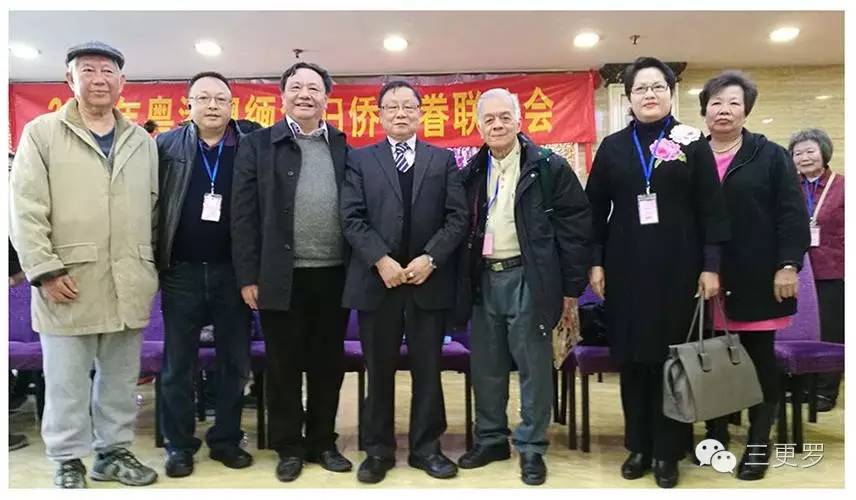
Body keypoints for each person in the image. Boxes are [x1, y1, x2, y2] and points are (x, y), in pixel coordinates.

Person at [9, 41, 159, 488]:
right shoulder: (42, 133)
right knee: (66, 379)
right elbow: (24, 208)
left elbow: (153, 209)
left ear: (122, 82)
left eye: (108, 71)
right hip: (67, 280)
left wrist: (148, 267)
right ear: (69, 79)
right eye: (88, 70)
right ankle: (67, 456)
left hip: (127, 279)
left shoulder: (141, 141)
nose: (99, 79)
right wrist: (44, 269)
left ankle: (113, 452)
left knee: (120, 377)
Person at [585, 57, 730, 488]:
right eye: (641, 88)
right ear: (628, 97)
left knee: (674, 361)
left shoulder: (693, 143)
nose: (649, 94)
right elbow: (594, 210)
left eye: (658, 87)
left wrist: (711, 266)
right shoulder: (613, 147)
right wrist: (595, 260)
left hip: (680, 269)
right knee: (633, 361)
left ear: (670, 92)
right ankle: (639, 446)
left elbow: (712, 210)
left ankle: (669, 451)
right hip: (625, 268)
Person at [455, 88, 592, 486]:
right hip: (482, 277)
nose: (497, 125)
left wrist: (571, 286)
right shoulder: (471, 172)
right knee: (487, 366)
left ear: (519, 119)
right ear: (478, 126)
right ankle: (491, 439)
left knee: (534, 366)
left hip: (530, 278)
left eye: (504, 117)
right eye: (489, 119)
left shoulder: (548, 167)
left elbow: (575, 228)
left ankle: (532, 446)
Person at [341, 81, 468, 484]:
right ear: (379, 115)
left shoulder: (442, 160)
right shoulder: (360, 159)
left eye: (408, 106)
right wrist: (380, 259)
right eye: (392, 107)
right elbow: (351, 217)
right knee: (378, 370)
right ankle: (377, 450)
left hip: (428, 283)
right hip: (377, 284)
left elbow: (458, 217)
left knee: (428, 371)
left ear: (420, 113)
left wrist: (431, 258)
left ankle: (427, 449)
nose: (400, 113)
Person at [231, 61, 352, 482]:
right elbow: (242, 215)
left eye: (314, 88)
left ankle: (322, 441)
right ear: (282, 96)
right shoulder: (258, 145)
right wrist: (248, 276)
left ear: (326, 98)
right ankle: (288, 446)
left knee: (327, 365)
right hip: (279, 275)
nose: (305, 94)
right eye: (296, 87)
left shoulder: (341, 144)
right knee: (283, 366)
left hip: (333, 274)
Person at [700, 70, 810, 481]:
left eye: (733, 102)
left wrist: (788, 264)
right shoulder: (691, 155)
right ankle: (714, 438)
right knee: (712, 363)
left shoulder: (770, 155)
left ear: (746, 110)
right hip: (703, 279)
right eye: (716, 102)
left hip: (757, 275)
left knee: (758, 363)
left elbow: (792, 215)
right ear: (704, 110)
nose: (724, 110)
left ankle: (759, 444)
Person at [155, 71, 258, 478]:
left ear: (232, 105)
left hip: (233, 273)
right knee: (177, 365)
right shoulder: (166, 146)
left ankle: (226, 440)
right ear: (188, 105)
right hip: (180, 271)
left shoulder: (250, 145)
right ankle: (179, 445)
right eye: (203, 98)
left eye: (220, 98)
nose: (212, 105)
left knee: (235, 363)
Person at [789, 128, 844, 412]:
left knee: (830, 330)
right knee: (801, 330)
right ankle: (802, 387)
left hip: (832, 269)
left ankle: (825, 391)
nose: (804, 157)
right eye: (798, 153)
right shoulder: (790, 187)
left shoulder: (843, 186)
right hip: (797, 270)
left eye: (810, 151)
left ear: (824, 152)